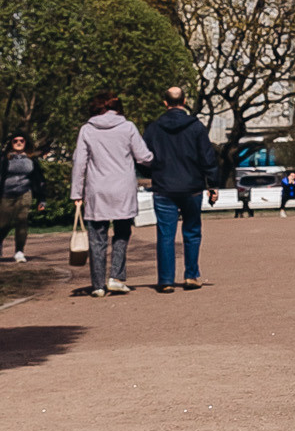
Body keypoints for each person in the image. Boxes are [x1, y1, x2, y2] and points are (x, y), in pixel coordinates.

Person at [70, 93, 153, 298]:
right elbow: (143, 156)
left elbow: (79, 162)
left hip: (97, 189)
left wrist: (76, 192)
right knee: (122, 233)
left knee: (97, 237)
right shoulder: (128, 127)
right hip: (122, 188)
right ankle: (116, 277)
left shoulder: (87, 130)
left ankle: (97, 284)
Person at [145, 85, 225, 293]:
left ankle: (166, 279)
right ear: (184, 101)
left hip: (163, 186)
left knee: (165, 234)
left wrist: (151, 173)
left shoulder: (153, 128)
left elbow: (142, 157)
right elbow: (208, 157)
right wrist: (212, 184)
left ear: (165, 103)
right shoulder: (196, 127)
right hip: (192, 186)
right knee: (191, 231)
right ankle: (191, 275)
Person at [0, 132, 43, 260]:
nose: (18, 143)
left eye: (21, 141)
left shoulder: (31, 159)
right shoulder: (2, 158)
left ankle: (19, 251)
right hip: (6, 194)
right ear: (11, 143)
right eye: (15, 141)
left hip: (25, 193)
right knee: (3, 223)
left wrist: (41, 199)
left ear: (25, 142)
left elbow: (39, 179)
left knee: (22, 220)